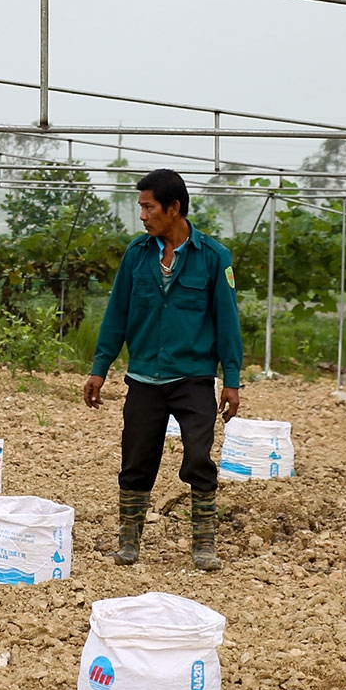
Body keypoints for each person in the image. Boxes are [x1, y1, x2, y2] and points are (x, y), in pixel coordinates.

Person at [83, 168, 242, 570]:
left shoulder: (213, 257)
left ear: (173, 208)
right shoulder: (137, 254)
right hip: (143, 380)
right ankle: (129, 542)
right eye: (141, 207)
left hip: (193, 378)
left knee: (198, 459)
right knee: (136, 460)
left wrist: (233, 381)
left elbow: (227, 322)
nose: (143, 215)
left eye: (149, 207)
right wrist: (100, 367)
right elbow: (117, 313)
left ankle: (204, 545)